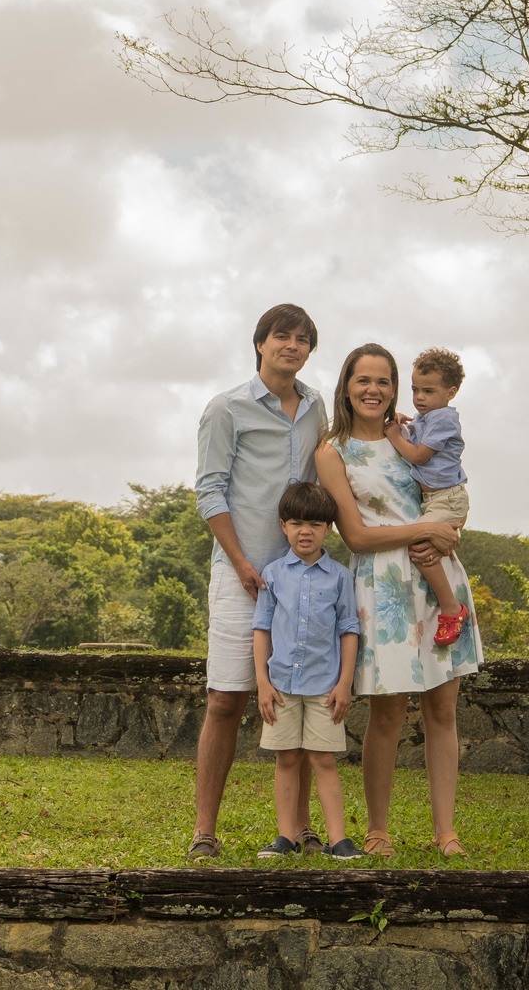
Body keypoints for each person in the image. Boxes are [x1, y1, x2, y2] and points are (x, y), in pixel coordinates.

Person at [315, 344, 482, 860]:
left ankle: (445, 831)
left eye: (384, 381)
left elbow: (444, 493)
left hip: (437, 578)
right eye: (363, 380)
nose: (374, 390)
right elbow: (358, 537)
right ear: (346, 386)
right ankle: (379, 829)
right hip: (382, 585)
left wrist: (447, 527)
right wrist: (429, 527)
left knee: (442, 709)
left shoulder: (413, 433)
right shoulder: (332, 450)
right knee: (387, 713)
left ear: (395, 389)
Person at [190, 302, 327, 860]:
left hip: (304, 577)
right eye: (281, 336)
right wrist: (243, 561)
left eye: (301, 339)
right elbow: (210, 491)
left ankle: (299, 827)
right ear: (260, 343)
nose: (290, 346)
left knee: (304, 697)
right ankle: (204, 830)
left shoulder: (318, 407)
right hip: (240, 574)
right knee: (226, 698)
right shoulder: (228, 409)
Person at [252, 480, 362, 860]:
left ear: (328, 528)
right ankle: (287, 837)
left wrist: (345, 683)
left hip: (324, 686)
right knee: (287, 759)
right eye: (297, 522)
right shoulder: (274, 574)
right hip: (281, 684)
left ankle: (339, 839)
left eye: (315, 524)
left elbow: (349, 629)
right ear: (283, 525)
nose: (305, 531)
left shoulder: (340, 577)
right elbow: (262, 628)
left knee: (324, 760)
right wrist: (262, 683)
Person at [384, 348, 470, 645]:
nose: (419, 397)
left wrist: (395, 436)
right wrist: (401, 424)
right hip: (435, 499)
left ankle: (451, 608)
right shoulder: (426, 417)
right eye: (415, 389)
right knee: (426, 545)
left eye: (428, 391)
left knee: (421, 547)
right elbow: (412, 436)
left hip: (447, 498)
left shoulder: (444, 419)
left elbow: (419, 456)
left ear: (451, 392)